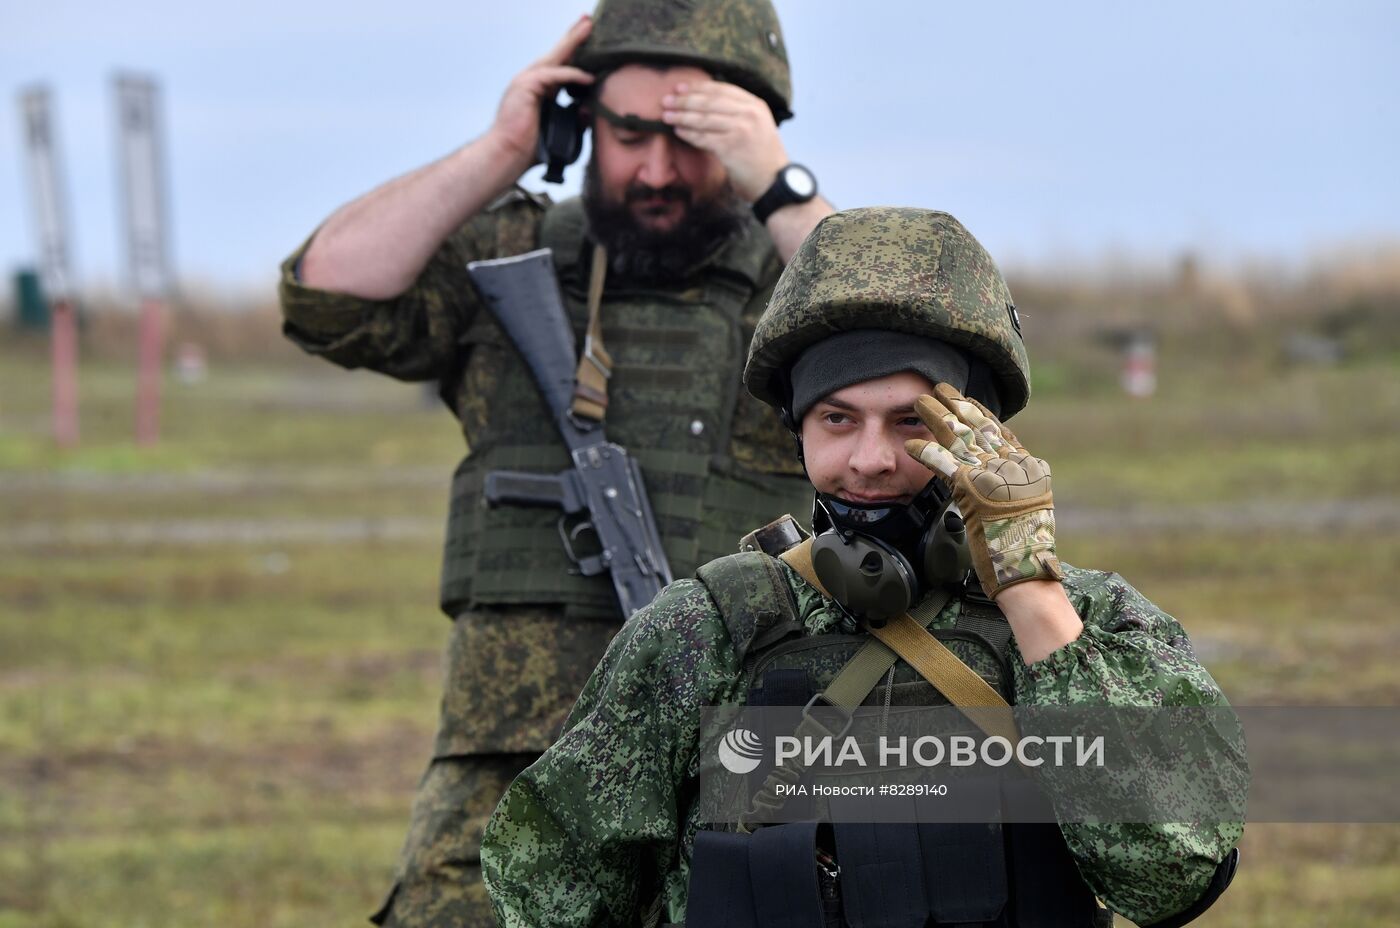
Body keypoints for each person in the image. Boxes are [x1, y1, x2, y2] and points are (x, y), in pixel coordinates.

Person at [480, 207, 1247, 928]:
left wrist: (1030, 589)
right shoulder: (703, 631)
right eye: (837, 419)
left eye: (911, 421)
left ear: (983, 434)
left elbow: (1168, 876)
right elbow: (552, 893)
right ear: (798, 427)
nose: (871, 460)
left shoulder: (1093, 626)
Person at [277, 1, 834, 924]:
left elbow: (903, 353)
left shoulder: (800, 281)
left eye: (693, 136)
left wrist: (782, 186)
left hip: (745, 752)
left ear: (753, 131)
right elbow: (325, 296)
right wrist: (502, 149)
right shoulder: (510, 252)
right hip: (514, 753)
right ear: (582, 122)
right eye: (628, 134)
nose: (655, 170)